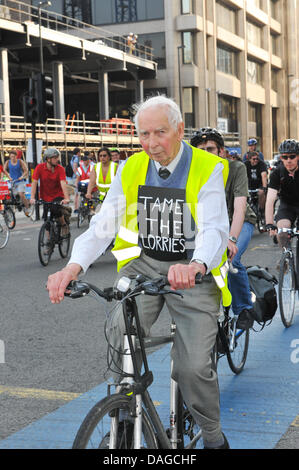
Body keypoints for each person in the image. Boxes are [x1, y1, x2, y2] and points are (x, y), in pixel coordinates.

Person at [47, 95, 231, 449]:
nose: (151, 144)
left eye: (159, 133)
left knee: (192, 369)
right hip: (145, 265)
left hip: (192, 273)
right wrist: (72, 266)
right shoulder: (130, 168)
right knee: (118, 334)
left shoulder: (207, 167)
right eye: (143, 134)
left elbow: (214, 229)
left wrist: (196, 265)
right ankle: (127, 411)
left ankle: (212, 436)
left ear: (179, 129)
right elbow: (103, 225)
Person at [191, 128, 255, 330]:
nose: (205, 153)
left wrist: (232, 239)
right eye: (200, 150)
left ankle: (244, 308)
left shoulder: (236, 169)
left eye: (210, 149)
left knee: (231, 258)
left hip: (238, 221)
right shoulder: (194, 171)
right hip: (209, 225)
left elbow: (239, 209)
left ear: (221, 151)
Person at [265, 139, 299, 256]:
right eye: (285, 157)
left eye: (292, 156)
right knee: (282, 232)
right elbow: (270, 199)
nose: (288, 160)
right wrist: (269, 223)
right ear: (281, 158)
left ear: (298, 157)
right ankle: (286, 258)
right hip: (287, 205)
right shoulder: (277, 173)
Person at [30, 148, 71, 235]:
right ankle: (49, 243)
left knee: (55, 210)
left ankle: (64, 225)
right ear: (48, 159)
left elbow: (63, 183)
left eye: (57, 157)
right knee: (46, 220)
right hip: (45, 196)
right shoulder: (39, 168)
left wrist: (66, 198)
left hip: (58, 195)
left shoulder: (60, 169)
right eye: (55, 158)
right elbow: (34, 182)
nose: (57, 160)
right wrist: (32, 197)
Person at [3, 149, 31, 215]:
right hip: (13, 182)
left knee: (21, 194)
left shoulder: (20, 161)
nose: (12, 158)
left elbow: (26, 170)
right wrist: (9, 176)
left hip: (20, 181)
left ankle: (27, 208)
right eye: (11, 156)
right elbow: (4, 170)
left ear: (16, 156)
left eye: (14, 156)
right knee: (13, 195)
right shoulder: (7, 162)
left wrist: (22, 176)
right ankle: (18, 204)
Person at [244, 151, 268, 217]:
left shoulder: (262, 164)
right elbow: (242, 176)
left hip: (259, 184)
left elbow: (264, 176)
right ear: (249, 159)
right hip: (250, 184)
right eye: (254, 159)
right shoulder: (245, 164)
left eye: (257, 158)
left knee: (261, 193)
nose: (256, 160)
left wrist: (264, 187)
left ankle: (262, 210)